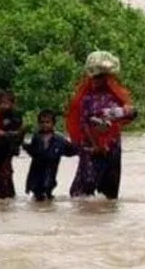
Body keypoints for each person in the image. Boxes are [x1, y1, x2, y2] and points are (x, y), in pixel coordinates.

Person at [67, 51, 137, 200]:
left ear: (107, 78)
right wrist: (95, 146)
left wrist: (129, 111)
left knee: (109, 190)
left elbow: (130, 115)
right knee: (84, 189)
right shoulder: (85, 98)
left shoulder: (116, 96)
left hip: (111, 146)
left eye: (99, 77)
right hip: (91, 146)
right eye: (93, 77)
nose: (95, 80)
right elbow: (83, 124)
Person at [23, 110, 74, 202]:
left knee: (48, 190)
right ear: (38, 124)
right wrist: (24, 145)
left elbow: (70, 151)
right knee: (37, 193)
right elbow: (32, 151)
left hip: (51, 169)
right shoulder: (36, 137)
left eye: (47, 122)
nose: (44, 124)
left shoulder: (59, 139)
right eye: (42, 122)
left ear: (53, 124)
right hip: (37, 170)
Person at [0, 90, 26, 199]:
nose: (4, 105)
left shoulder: (16, 115)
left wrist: (6, 134)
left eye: (7, 103)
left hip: (9, 148)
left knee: (5, 171)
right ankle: (7, 195)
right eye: (1, 103)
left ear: (13, 103)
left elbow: (19, 132)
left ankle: (7, 196)